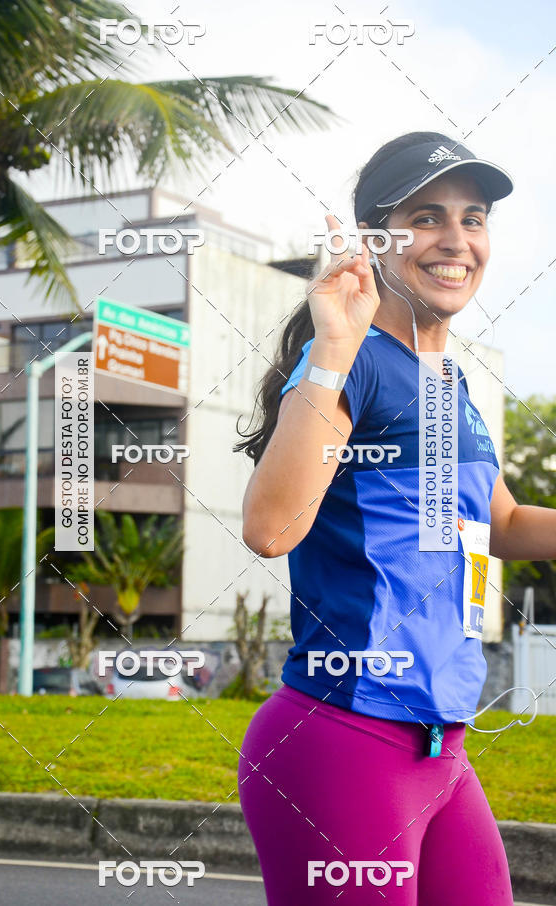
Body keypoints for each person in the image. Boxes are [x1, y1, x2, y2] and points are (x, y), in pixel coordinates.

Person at [234, 131, 556, 905]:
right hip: (345, 735)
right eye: (427, 216)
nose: (456, 240)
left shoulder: (451, 385)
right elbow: (270, 529)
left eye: (473, 218)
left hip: (442, 749)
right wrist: (335, 347)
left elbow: (501, 523)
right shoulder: (353, 364)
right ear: (375, 240)